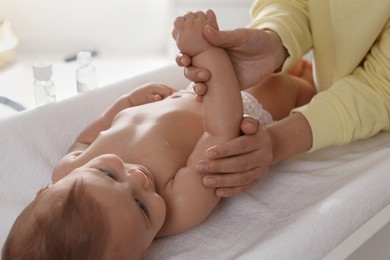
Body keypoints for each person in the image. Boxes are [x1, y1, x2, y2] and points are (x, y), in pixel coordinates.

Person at [2, 10, 315, 260]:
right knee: (293, 85)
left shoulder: (67, 170)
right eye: (142, 207)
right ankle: (311, 83)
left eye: (108, 173)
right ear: (141, 251)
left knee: (282, 57)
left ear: (45, 189)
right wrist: (209, 57)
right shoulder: (180, 206)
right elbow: (221, 133)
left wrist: (125, 104)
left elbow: (86, 139)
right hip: (240, 107)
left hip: (192, 92)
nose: (139, 179)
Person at [177, 1, 390, 197]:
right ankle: (302, 74)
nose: (145, 185)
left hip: (364, 105)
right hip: (186, 98)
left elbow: (381, 87)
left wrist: (277, 141)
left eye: (141, 204)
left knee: (285, 90)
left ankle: (304, 79)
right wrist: (275, 39)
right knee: (282, 87)